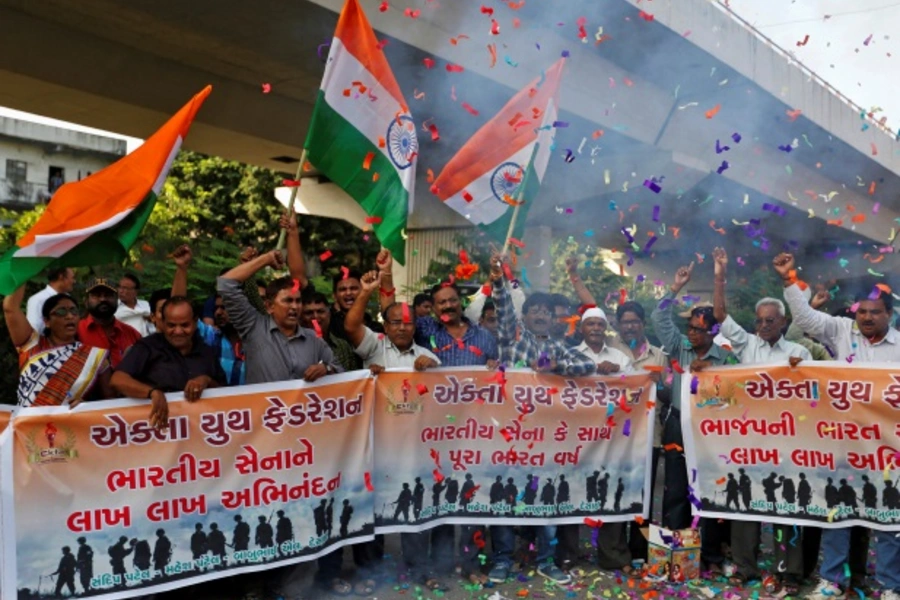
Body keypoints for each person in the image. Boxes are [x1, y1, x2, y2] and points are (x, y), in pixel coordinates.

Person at [774, 252, 900, 600]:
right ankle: (831, 580)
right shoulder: (843, 331)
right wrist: (789, 280)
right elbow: (804, 317)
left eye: (875, 312)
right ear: (854, 313)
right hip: (843, 446)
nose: (867, 317)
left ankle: (890, 586)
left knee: (889, 518)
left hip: (887, 451)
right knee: (838, 513)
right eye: (862, 312)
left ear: (889, 314)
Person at [711, 246, 811, 591]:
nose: (765, 325)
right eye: (760, 320)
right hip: (750, 443)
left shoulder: (799, 353)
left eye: (771, 320)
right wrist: (720, 275)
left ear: (783, 323)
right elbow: (720, 315)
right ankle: (746, 566)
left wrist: (798, 376)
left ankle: (790, 573)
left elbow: (813, 396)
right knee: (746, 506)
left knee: (789, 508)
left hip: (788, 445)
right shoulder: (747, 345)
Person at [490, 251, 593, 586]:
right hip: (509, 437)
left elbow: (586, 367)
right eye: (533, 310)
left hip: (546, 441)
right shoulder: (512, 337)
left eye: (545, 312)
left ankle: (545, 561)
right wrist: (497, 279)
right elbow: (503, 309)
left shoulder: (561, 348)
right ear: (526, 315)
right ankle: (503, 560)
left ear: (552, 319)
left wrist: (555, 368)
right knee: (506, 500)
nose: (539, 315)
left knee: (543, 500)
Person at [652, 260, 737, 574]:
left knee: (710, 492)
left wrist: (713, 374)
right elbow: (658, 316)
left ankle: (711, 556)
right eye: (690, 328)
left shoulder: (726, 356)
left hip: (712, 431)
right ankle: (677, 555)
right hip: (677, 425)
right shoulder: (680, 348)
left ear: (713, 332)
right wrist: (676, 287)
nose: (692, 334)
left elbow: (736, 394)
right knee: (676, 491)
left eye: (699, 330)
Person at [218, 248, 340, 385]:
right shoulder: (253, 327)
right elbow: (225, 284)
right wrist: (266, 259)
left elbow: (343, 373)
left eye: (298, 301)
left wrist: (326, 368)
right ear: (270, 306)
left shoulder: (314, 339)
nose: (294, 306)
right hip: (262, 406)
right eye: (288, 301)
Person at [111, 296, 227, 430]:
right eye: (171, 325)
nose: (178, 331)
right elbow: (117, 379)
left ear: (195, 322)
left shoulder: (207, 352)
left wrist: (206, 380)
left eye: (185, 325)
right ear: (163, 323)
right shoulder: (147, 347)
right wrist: (152, 393)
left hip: (201, 436)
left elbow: (226, 394)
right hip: (155, 434)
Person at [4, 284, 112, 407]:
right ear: (47, 321)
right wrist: (21, 272)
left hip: (68, 424)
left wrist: (87, 406)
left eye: (74, 311)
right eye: (61, 312)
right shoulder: (31, 344)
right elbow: (10, 308)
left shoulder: (94, 356)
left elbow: (111, 401)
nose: (70, 316)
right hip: (27, 422)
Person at [168, 245, 247, 385]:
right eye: (216, 308)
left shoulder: (260, 339)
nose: (218, 312)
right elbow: (178, 309)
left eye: (225, 308)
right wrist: (181, 269)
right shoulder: (210, 337)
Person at [77, 277, 142, 368]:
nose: (103, 299)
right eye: (96, 295)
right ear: (86, 301)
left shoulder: (132, 334)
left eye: (108, 295)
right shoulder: (76, 331)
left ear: (117, 300)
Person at [301, 290, 362, 372]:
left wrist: (329, 369)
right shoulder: (293, 347)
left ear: (328, 314)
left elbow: (354, 379)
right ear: (300, 317)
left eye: (320, 311)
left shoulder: (342, 346)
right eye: (309, 313)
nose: (315, 316)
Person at [25, 266, 75, 332]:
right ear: (61, 277)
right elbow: (34, 330)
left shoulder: (69, 298)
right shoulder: (37, 300)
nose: (74, 281)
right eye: (72, 278)